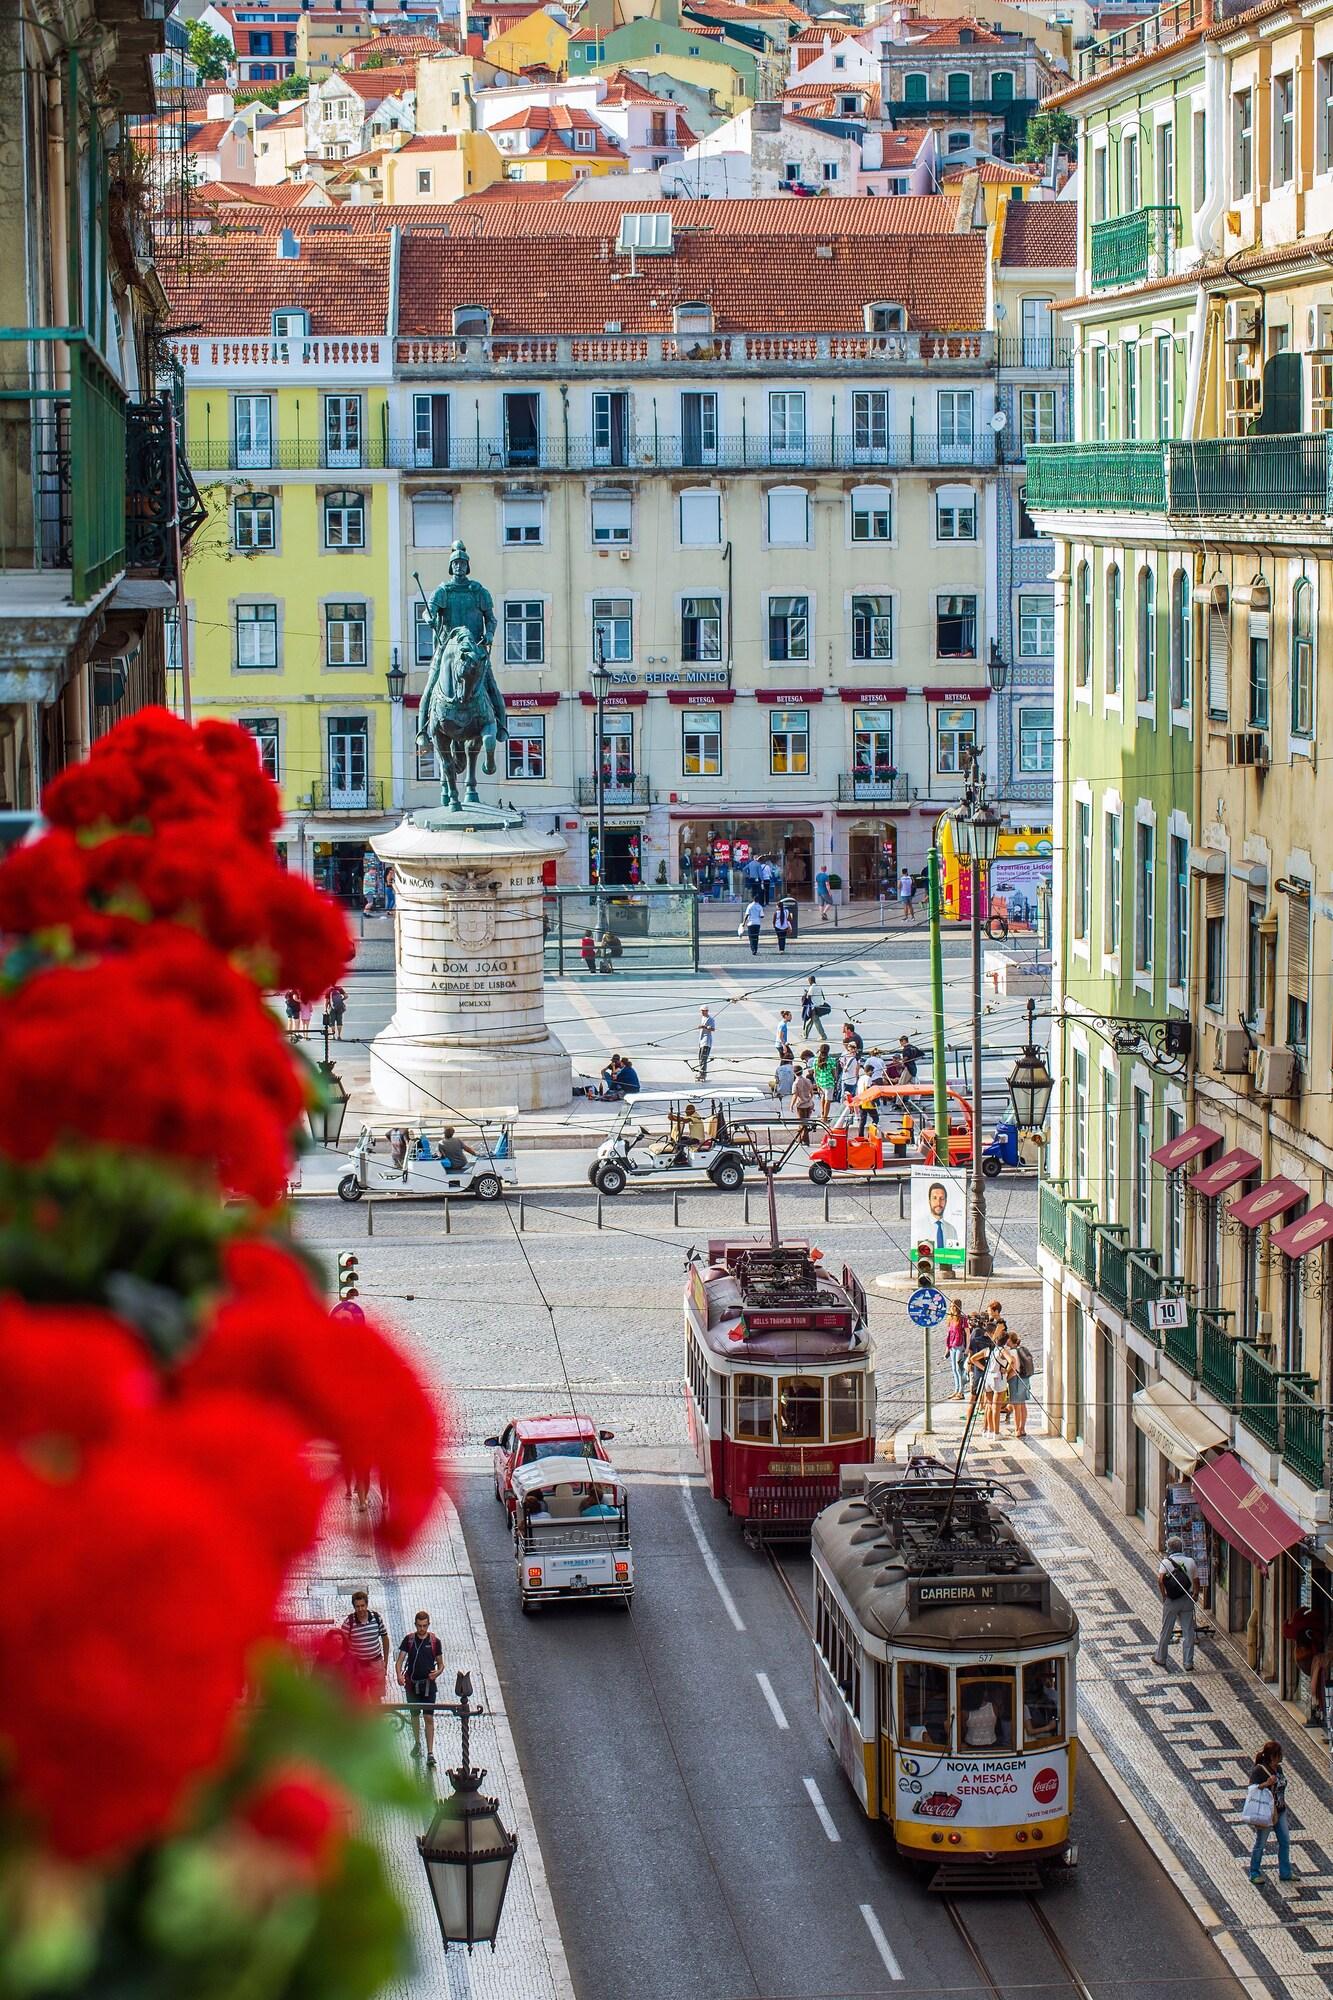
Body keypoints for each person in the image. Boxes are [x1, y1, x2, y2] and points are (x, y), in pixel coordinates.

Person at [396, 1611, 443, 1767]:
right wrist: (399, 1675)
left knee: (428, 1717)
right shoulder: (409, 1640)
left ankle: (430, 1752)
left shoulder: (435, 1641)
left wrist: (437, 1672)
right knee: (414, 1715)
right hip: (412, 1684)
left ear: (428, 1625)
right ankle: (417, 1742)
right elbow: (400, 1661)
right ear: (415, 1625)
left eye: (424, 1626)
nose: (422, 1629)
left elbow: (441, 1663)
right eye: (419, 1626)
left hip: (428, 1686)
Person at [1247, 1740, 1293, 1883]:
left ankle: (1285, 1873)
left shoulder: (1278, 1769)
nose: (1281, 1757)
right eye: (1279, 1754)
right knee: (1261, 1843)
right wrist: (1266, 1784)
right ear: (1273, 1756)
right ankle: (1254, 1872)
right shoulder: (1259, 1770)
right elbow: (1252, 1789)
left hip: (1280, 1810)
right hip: (1266, 1812)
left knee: (1285, 1841)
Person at [1155, 1533, 1201, 1673]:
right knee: (1188, 1632)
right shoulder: (1190, 1561)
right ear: (1182, 1548)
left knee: (1166, 1630)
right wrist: (1195, 1594)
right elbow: (1196, 1581)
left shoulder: (1166, 1562)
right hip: (1187, 1600)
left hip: (1172, 1600)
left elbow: (1160, 1580)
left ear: (1170, 1548)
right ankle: (1188, 1662)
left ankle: (1161, 1657)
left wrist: (1164, 1595)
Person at [341, 1589, 390, 1697]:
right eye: (357, 1606)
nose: (360, 1609)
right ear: (354, 1607)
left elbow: (385, 1638)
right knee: (359, 1697)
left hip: (376, 1664)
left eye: (362, 1605)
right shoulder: (349, 1622)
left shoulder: (376, 1618)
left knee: (377, 1697)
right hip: (358, 1666)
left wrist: (385, 1661)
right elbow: (342, 1644)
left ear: (367, 1605)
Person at [981, 1338, 1011, 1435]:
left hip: (988, 1377)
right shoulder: (1002, 1350)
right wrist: (1006, 1370)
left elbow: (972, 1359)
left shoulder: (987, 1350)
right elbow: (1012, 1361)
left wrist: (984, 1369)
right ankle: (996, 1433)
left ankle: (989, 1431)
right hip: (998, 1378)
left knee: (989, 1406)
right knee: (996, 1408)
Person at [1007, 1330, 1033, 1438]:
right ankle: (1022, 1428)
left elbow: (1013, 1368)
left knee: (1016, 1406)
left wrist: (1006, 1378)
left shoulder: (1012, 1352)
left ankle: (1017, 1429)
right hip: (1025, 1379)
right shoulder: (1022, 1349)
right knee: (1022, 1405)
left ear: (1010, 1340)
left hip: (1015, 1380)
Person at [925, 1181, 960, 1250]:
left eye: (942, 1198)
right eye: (934, 1198)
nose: (938, 1203)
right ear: (929, 1201)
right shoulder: (919, 1227)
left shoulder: (952, 1230)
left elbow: (954, 1254)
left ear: (946, 1201)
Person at [945, 1299, 968, 1398]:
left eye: (954, 1306)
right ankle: (956, 1390)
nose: (952, 1308)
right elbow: (949, 1334)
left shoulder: (963, 1318)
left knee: (959, 1368)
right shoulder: (950, 1318)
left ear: (958, 1307)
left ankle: (961, 1392)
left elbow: (967, 1333)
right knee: (954, 1369)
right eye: (951, 1306)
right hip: (952, 1345)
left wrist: (967, 1348)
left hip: (960, 1345)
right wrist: (947, 1348)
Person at [813, 1043, 839, 1121]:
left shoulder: (816, 1060)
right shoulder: (831, 1060)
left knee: (823, 1098)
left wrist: (817, 1083)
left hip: (820, 1082)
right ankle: (825, 1117)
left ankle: (822, 1113)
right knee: (828, 1100)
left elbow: (815, 1073)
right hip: (829, 1082)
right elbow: (834, 1072)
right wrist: (835, 1079)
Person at [791, 1065, 818, 1142]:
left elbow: (795, 1095)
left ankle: (803, 1140)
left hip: (801, 1105)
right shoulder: (808, 1081)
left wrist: (791, 1105)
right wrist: (809, 1099)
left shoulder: (796, 1083)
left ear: (794, 1073)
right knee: (806, 1122)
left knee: (802, 1123)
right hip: (809, 1104)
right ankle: (803, 1139)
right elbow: (812, 1093)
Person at [696, 1006, 715, 1082]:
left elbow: (713, 1029)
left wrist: (705, 1026)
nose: (702, 1012)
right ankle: (701, 1072)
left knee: (703, 1058)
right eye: (701, 1011)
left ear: (707, 1011)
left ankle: (703, 1074)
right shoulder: (703, 1018)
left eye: (703, 1011)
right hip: (701, 1041)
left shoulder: (710, 1019)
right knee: (700, 1058)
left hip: (706, 1042)